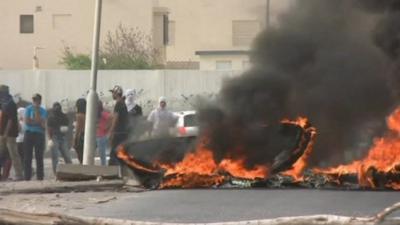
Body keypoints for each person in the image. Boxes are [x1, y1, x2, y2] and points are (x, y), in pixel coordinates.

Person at [0, 85, 24, 181]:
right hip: (3, 133)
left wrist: (5, 133)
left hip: (9, 134)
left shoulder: (10, 103)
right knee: (2, 154)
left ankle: (19, 174)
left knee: (13, 154)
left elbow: (11, 119)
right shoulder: (5, 102)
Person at [24, 93, 47, 181]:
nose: (35, 102)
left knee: (39, 156)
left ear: (40, 101)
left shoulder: (43, 110)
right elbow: (27, 121)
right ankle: (27, 176)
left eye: (36, 100)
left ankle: (40, 177)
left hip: (39, 134)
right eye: (34, 100)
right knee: (27, 156)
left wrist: (37, 112)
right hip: (29, 133)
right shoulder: (28, 109)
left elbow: (42, 122)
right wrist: (37, 122)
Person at [47, 102, 72, 174]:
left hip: (61, 137)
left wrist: (50, 139)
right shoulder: (51, 118)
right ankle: (56, 173)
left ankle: (70, 172)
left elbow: (67, 128)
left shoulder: (63, 117)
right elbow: (49, 129)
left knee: (66, 156)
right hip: (55, 137)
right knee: (56, 157)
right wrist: (50, 139)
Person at [108, 85, 128, 165]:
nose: (112, 95)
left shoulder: (118, 104)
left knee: (114, 152)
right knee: (120, 152)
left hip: (118, 133)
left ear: (117, 93)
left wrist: (111, 132)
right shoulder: (123, 103)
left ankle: (111, 171)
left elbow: (115, 119)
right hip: (124, 132)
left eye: (113, 93)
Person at [96, 101, 110, 166]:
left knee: (102, 152)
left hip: (101, 135)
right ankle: (103, 165)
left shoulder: (103, 113)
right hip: (97, 135)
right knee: (101, 152)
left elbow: (111, 118)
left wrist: (106, 127)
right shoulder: (96, 114)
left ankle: (103, 165)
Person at [73, 98, 86, 164]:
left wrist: (75, 139)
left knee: (80, 155)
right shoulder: (88, 115)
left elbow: (78, 128)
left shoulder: (79, 115)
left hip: (81, 136)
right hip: (87, 135)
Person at [16, 107, 26, 171]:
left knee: (22, 157)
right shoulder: (25, 121)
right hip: (19, 140)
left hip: (21, 141)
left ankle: (25, 169)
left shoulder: (23, 122)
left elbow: (20, 130)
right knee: (22, 157)